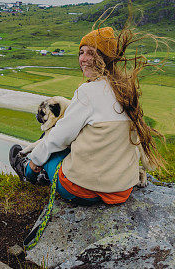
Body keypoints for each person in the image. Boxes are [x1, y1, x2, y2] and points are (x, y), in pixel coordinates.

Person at [9, 25, 163, 204]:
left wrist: (35, 162)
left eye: (92, 53)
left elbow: (58, 139)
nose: (83, 58)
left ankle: (27, 171)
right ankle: (38, 171)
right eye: (81, 52)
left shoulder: (87, 92)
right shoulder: (126, 91)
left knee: (51, 149)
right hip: (121, 191)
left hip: (83, 191)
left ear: (105, 58)